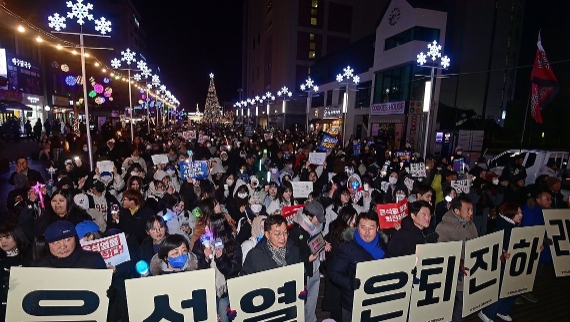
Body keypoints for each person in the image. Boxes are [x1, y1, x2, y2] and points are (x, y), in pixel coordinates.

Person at [330, 211, 386, 322]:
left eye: (371, 228)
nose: (367, 232)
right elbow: (334, 273)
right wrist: (350, 282)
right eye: (363, 227)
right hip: (353, 303)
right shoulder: (347, 247)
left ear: (377, 228)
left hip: (376, 300)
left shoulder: (383, 244)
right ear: (357, 227)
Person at [435, 195, 478, 322]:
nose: (471, 213)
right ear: (457, 211)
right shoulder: (443, 227)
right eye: (468, 210)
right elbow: (440, 252)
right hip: (454, 277)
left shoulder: (471, 225)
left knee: (461, 307)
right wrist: (458, 261)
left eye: (472, 209)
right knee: (456, 308)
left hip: (468, 273)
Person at [193, 213, 242, 322]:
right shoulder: (200, 243)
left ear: (218, 228)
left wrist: (221, 259)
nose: (205, 228)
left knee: (224, 318)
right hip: (207, 292)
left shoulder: (231, 244)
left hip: (225, 291)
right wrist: (205, 259)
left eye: (209, 226)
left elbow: (235, 269)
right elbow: (195, 267)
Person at [478, 203, 523, 322]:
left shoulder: (514, 226)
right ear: (510, 213)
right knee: (501, 288)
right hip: (502, 264)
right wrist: (502, 252)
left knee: (511, 286)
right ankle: (487, 313)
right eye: (518, 213)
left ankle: (502, 310)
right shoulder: (502, 227)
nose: (521, 215)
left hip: (513, 262)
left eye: (520, 212)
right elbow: (494, 244)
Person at [287, 201, 327, 322]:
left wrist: (323, 245)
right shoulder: (295, 230)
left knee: (312, 302)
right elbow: (292, 255)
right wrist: (307, 259)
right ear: (310, 216)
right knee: (303, 303)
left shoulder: (315, 228)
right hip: (304, 272)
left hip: (315, 269)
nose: (320, 221)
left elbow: (317, 242)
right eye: (317, 218)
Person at [322, 205, 357, 321]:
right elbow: (322, 241)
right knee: (337, 310)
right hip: (336, 276)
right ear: (345, 218)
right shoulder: (336, 232)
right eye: (351, 219)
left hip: (343, 276)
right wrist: (324, 245)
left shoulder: (351, 233)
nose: (354, 222)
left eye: (355, 219)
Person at [31, 220, 106, 268]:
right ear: (48, 244)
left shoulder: (93, 260)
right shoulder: (39, 267)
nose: (63, 246)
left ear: (75, 239)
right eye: (56, 242)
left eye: (67, 240)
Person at [0, 224, 32, 320]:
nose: (3, 241)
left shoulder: (30, 257)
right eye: (0, 238)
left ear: (17, 236)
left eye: (7, 237)